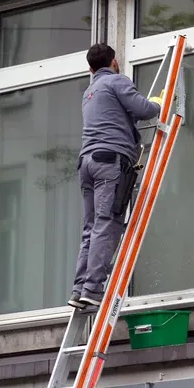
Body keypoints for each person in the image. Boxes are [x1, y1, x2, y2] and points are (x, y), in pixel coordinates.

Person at [69, 43, 163, 309]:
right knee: (106, 224)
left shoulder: (89, 92)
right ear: (114, 62)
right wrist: (157, 103)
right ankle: (93, 289)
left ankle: (79, 289)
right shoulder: (116, 81)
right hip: (109, 162)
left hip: (87, 163)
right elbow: (145, 110)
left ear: (91, 69)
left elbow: (118, 117)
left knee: (90, 228)